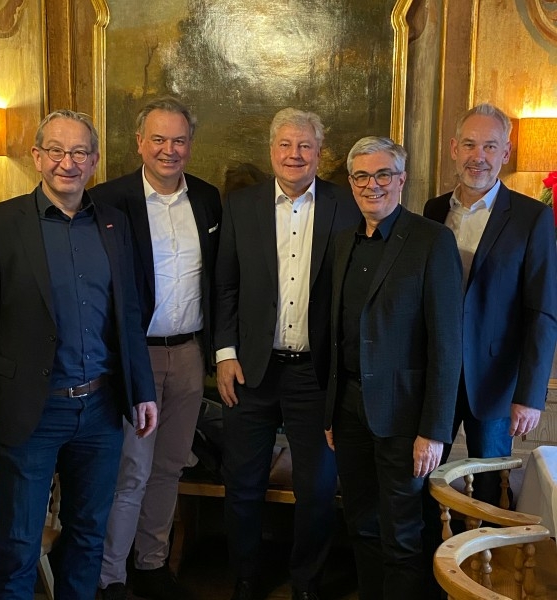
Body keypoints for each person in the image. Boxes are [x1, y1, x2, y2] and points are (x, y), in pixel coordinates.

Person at [0, 109, 158, 599]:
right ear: (37, 156)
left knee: (88, 537)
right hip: (31, 411)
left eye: (79, 153)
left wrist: (142, 391)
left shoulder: (115, 224)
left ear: (94, 160)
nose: (67, 163)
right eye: (56, 151)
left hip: (101, 410)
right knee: (18, 545)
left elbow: (129, 316)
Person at [214, 107, 361, 600]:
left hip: (316, 375)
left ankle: (306, 582)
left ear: (319, 152)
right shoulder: (241, 206)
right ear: (271, 150)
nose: (294, 154)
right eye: (285, 144)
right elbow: (225, 285)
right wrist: (224, 353)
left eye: (305, 146)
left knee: (317, 488)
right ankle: (245, 576)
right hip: (250, 370)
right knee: (243, 483)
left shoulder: (347, 205)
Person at [90, 96, 222, 600]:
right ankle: (111, 576)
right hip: (134, 356)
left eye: (179, 140)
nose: (170, 150)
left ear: (191, 144)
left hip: (188, 353)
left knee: (170, 465)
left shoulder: (206, 198)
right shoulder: (109, 200)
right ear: (140, 143)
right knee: (132, 469)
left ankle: (152, 564)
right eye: (159, 139)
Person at [323, 136, 463, 600]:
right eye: (362, 176)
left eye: (383, 174)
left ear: (401, 180)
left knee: (402, 535)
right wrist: (330, 412)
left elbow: (447, 344)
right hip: (348, 410)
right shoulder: (343, 242)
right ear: (351, 183)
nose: (373, 185)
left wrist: (434, 431)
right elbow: (337, 332)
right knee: (360, 525)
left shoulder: (432, 241)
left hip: (405, 418)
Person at [424, 103, 557, 505]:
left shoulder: (532, 217)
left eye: (489, 146)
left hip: (496, 382)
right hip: (437, 376)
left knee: (489, 488)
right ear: (454, 148)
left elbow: (542, 312)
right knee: (426, 479)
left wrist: (530, 394)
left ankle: (483, 548)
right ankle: (431, 545)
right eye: (469, 144)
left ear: (506, 152)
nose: (477, 156)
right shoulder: (433, 210)